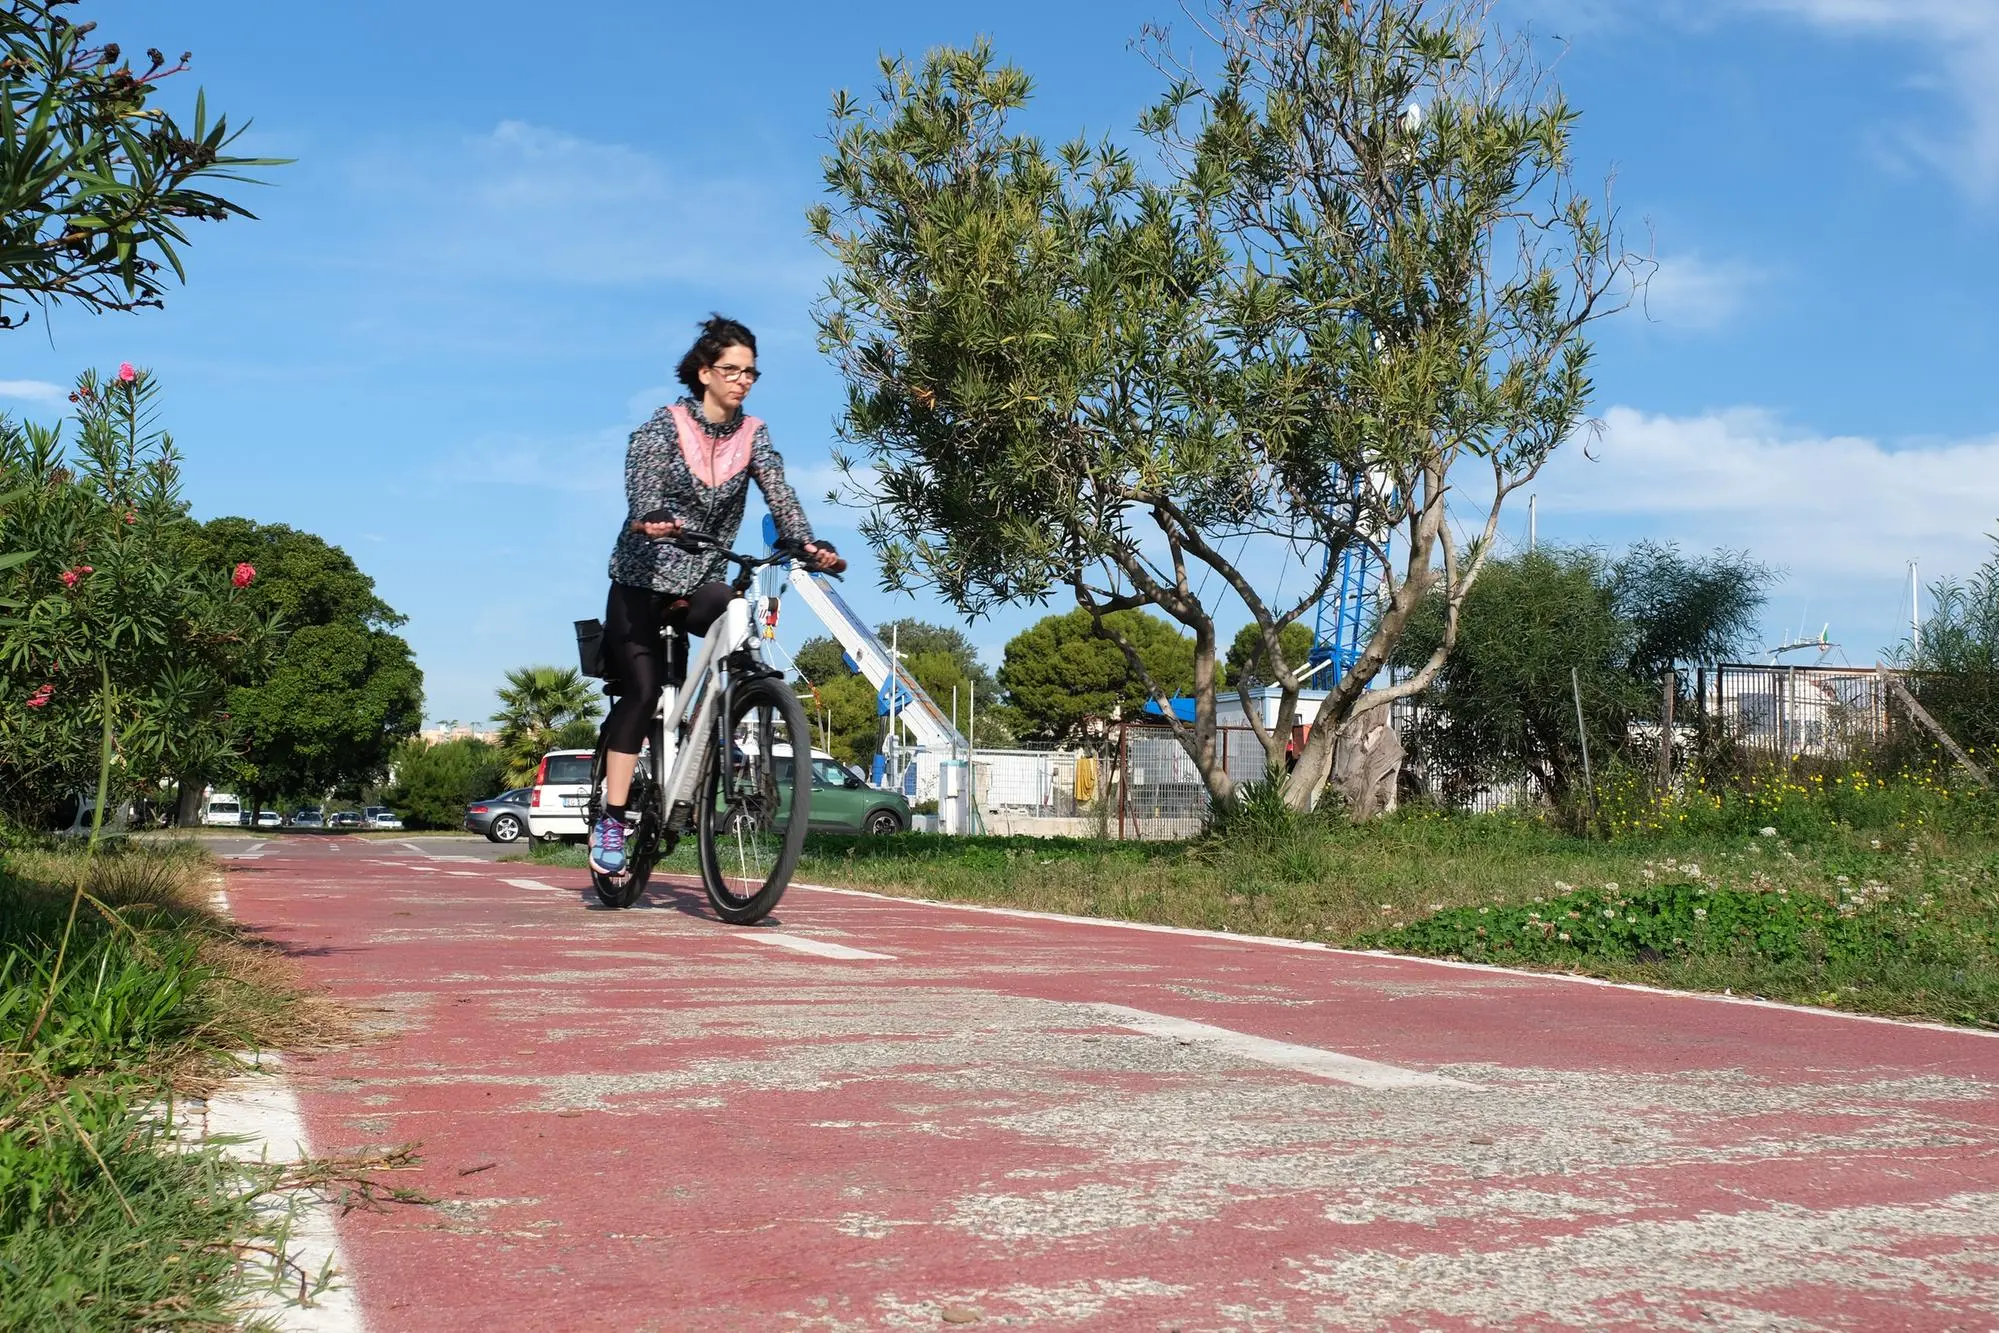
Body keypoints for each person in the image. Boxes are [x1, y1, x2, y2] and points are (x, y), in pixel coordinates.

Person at [591, 314, 841, 874]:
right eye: (731, 369)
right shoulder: (666, 424)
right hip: (642, 577)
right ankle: (611, 820)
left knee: (733, 611)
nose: (743, 380)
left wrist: (805, 541)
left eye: (751, 372)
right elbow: (643, 475)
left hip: (703, 574)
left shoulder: (754, 435)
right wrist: (648, 513)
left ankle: (719, 722)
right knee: (643, 688)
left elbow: (779, 490)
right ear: (704, 372)